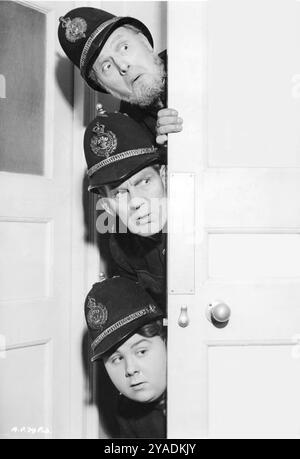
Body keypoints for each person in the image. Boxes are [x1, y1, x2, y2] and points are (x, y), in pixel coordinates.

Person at [58, 6, 183, 144]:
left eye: (124, 47)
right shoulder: (125, 132)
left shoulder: (197, 59)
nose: (122, 66)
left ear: (144, 42)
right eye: (107, 66)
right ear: (103, 85)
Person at [84, 105, 167, 312]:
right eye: (119, 193)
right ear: (108, 206)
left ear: (164, 177)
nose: (136, 201)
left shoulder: (198, 222)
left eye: (144, 182)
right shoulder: (122, 249)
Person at [85, 276, 167, 439]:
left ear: (165, 341)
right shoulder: (129, 412)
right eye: (117, 359)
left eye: (141, 351)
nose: (130, 369)